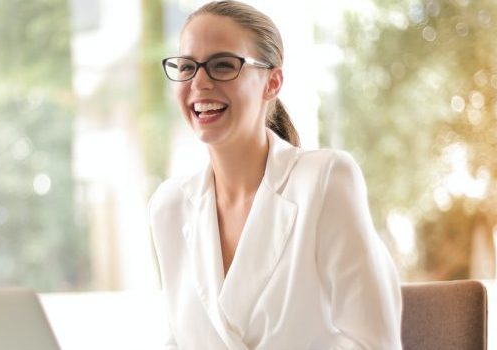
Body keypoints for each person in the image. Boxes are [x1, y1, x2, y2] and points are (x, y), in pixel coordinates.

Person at [147, 1, 402, 349]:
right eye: (187, 66)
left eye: (223, 65)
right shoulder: (169, 205)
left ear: (272, 82)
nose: (199, 82)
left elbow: (375, 344)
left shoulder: (325, 180)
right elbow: (179, 340)